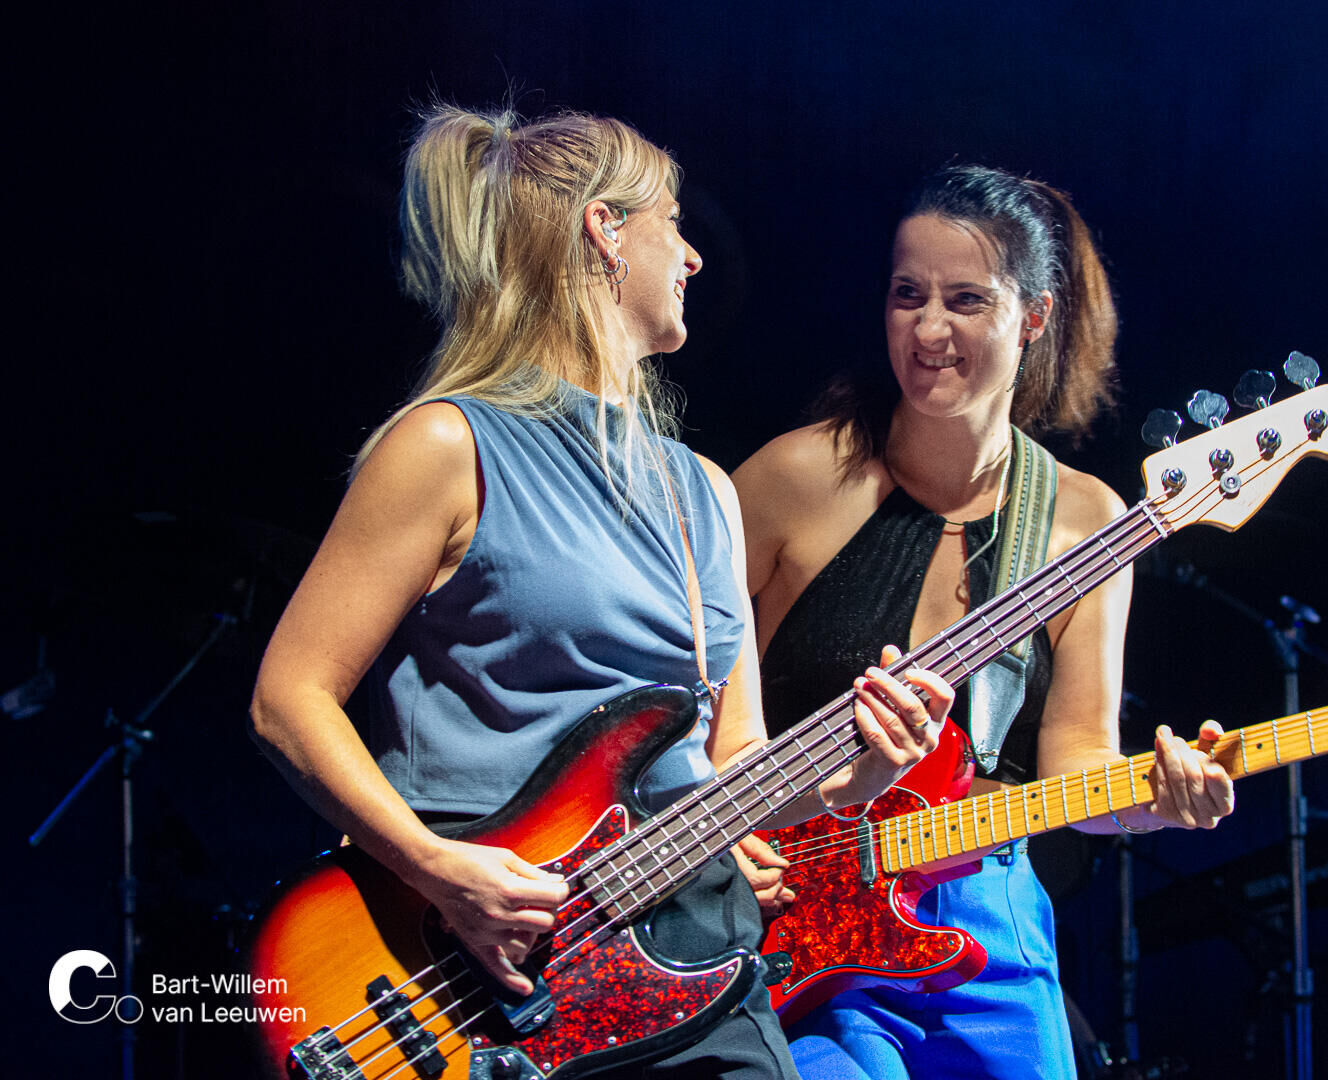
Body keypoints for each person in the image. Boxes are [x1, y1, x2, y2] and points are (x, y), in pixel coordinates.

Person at [248, 104, 954, 1079]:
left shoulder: (701, 492)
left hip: (697, 967)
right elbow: (288, 698)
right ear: (604, 230)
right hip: (482, 978)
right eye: (674, 221)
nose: (696, 259)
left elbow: (732, 765)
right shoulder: (450, 445)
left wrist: (862, 772)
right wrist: (439, 872)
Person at [730, 165, 1237, 1079]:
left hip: (985, 915)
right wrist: (727, 833)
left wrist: (1154, 806)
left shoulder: (1086, 521)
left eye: (966, 300)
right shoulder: (790, 481)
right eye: (907, 295)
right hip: (786, 915)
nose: (928, 330)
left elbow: (1076, 763)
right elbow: (685, 699)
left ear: (1034, 316)